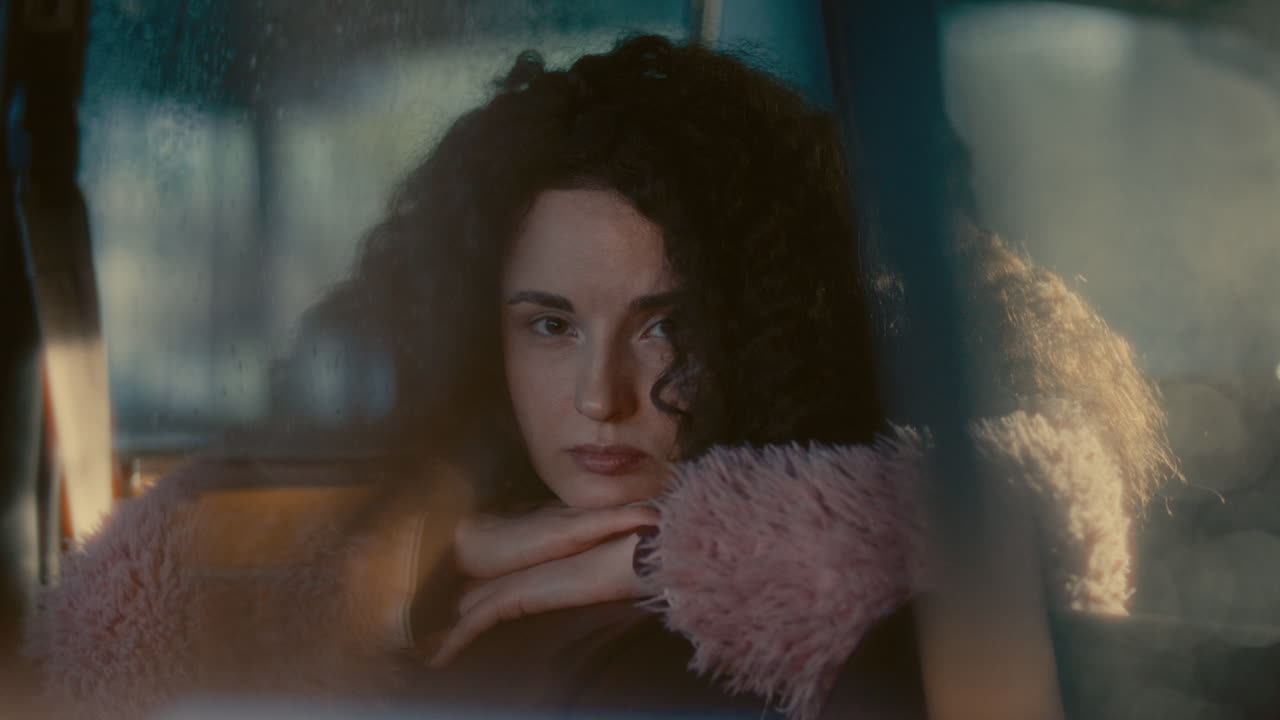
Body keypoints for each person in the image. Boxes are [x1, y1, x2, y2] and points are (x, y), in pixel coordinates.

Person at [25, 34, 1175, 720]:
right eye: (547, 325)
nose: (601, 395)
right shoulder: (412, 521)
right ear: (477, 332)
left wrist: (681, 553)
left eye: (666, 324)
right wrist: (406, 551)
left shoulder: (879, 603)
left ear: (771, 323)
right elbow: (113, 632)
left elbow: (1032, 504)